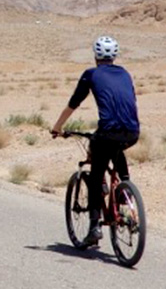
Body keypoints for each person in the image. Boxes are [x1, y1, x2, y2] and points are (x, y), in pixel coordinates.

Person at [50, 36, 141, 247]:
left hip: (107, 133)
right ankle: (125, 187)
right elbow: (131, 101)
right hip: (132, 132)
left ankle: (94, 227)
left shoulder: (91, 74)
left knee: (96, 174)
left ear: (95, 56)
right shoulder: (125, 73)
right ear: (114, 56)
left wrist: (57, 128)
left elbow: (73, 103)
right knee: (117, 149)